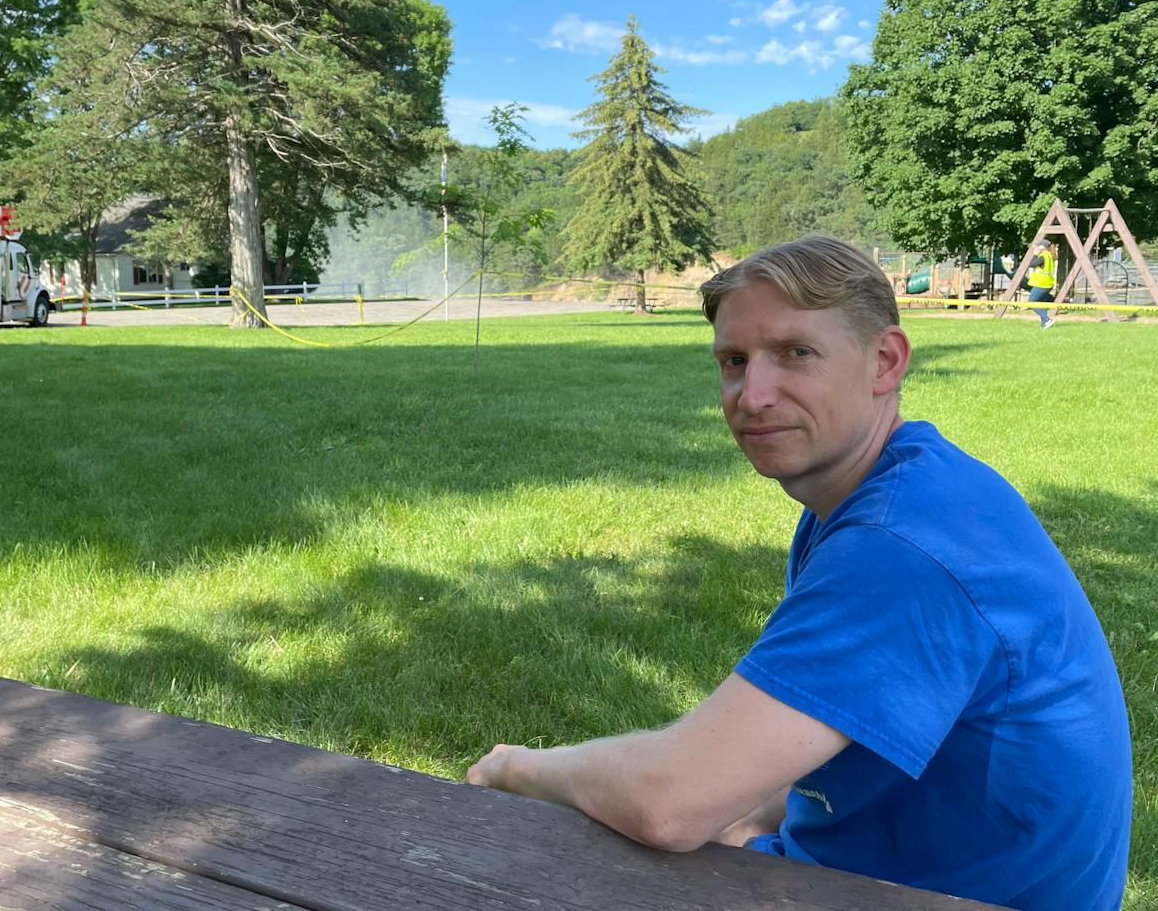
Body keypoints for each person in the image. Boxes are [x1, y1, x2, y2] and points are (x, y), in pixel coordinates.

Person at [466, 236, 1130, 911]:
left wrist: (516, 767)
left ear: (885, 362)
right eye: (734, 361)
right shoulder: (895, 489)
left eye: (795, 353)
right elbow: (849, 740)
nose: (751, 396)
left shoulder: (901, 546)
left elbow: (667, 802)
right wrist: (748, 811)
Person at [1026, 239, 1058, 328]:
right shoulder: (1049, 255)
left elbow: (1032, 264)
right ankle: (1045, 323)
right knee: (1040, 303)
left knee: (1031, 302)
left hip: (1042, 284)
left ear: (1042, 247)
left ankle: (1047, 320)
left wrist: (1035, 254)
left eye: (1038, 246)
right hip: (1048, 284)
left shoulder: (1043, 256)